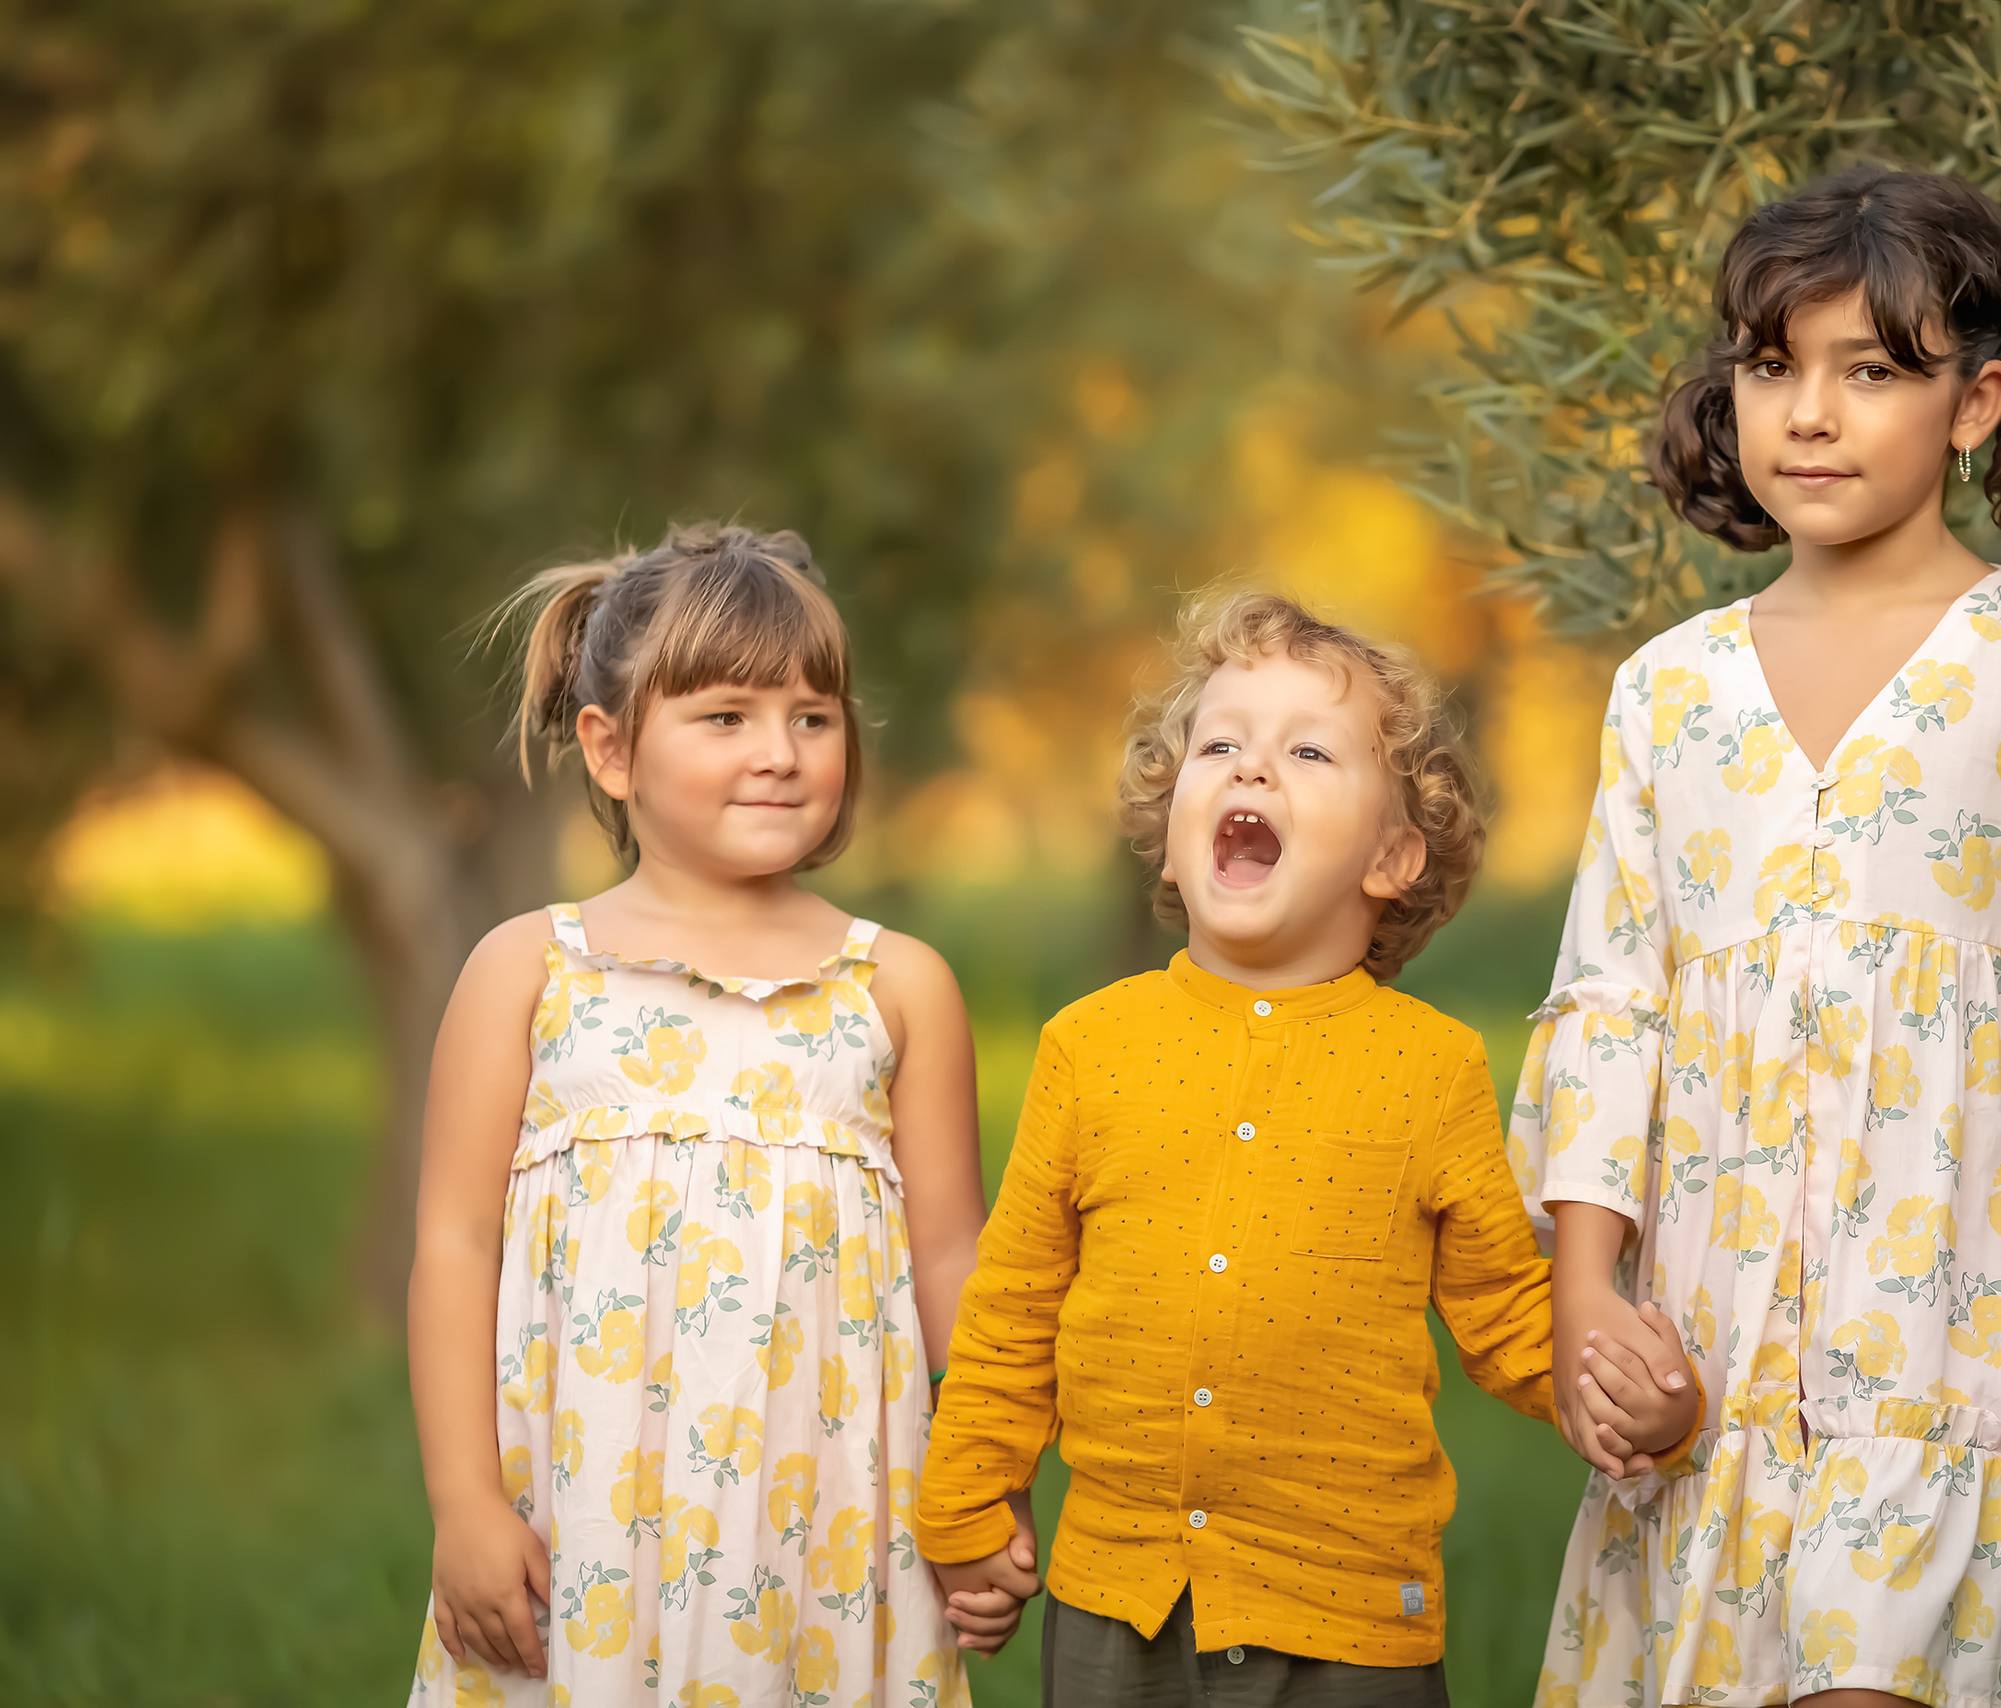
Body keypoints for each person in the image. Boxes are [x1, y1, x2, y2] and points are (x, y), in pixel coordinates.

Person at [1519, 167, 2001, 1707]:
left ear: (1978, 400)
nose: (1808, 413)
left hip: (1963, 1328)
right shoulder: (1670, 689)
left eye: (1868, 371)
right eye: (1771, 367)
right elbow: (1609, 1006)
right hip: (1718, 1341)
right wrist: (1585, 1297)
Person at [914, 590, 1698, 1706]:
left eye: (1308, 751)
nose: (1250, 769)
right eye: (1219, 742)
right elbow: (1012, 1311)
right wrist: (966, 1506)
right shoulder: (1085, 1048)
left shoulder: (1429, 1067)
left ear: (1391, 857)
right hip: (1116, 1601)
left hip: (1349, 1618)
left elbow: (1509, 1314)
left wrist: (1630, 1398)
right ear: (1170, 835)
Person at [403, 523, 1020, 1706]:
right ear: (612, 748)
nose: (779, 752)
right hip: (583, 1528)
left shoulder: (895, 986)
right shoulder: (531, 970)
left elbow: (952, 1254)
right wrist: (465, 1505)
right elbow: (452, 1245)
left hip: (832, 1521)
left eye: (812, 717)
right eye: (726, 716)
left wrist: (982, 1489)